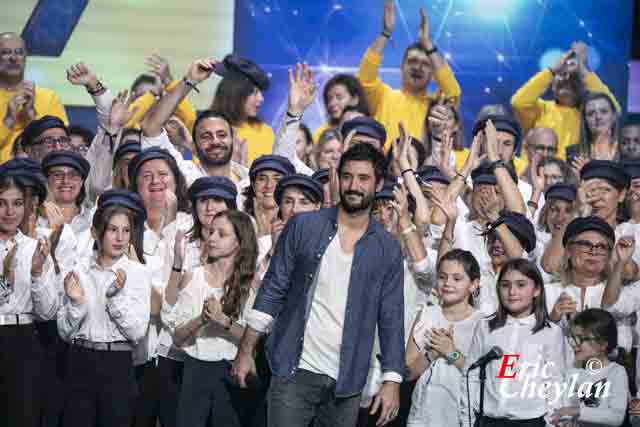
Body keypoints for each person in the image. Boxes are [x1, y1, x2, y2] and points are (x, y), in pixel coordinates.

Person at [232, 143, 405, 427]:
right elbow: (273, 289)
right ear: (337, 178)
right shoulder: (304, 226)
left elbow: (391, 318)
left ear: (378, 183)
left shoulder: (387, 248)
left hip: (347, 379)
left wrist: (392, 380)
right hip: (293, 369)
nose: (353, 185)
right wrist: (246, 350)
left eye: (363, 179)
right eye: (347, 176)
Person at [57, 189, 151, 427]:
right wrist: (77, 303)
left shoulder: (137, 273)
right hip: (79, 360)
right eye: (112, 229)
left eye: (126, 231)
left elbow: (137, 332)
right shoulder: (78, 271)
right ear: (95, 233)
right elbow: (64, 332)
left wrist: (115, 298)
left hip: (117, 364)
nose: (120, 238)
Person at [170, 210, 258, 427]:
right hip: (194, 371)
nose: (212, 238)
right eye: (211, 232)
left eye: (222, 234)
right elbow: (178, 338)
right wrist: (202, 319)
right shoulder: (194, 276)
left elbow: (254, 340)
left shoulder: (251, 285)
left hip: (230, 372)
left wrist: (222, 319)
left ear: (239, 242)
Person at [461, 258, 567, 427]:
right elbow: (470, 374)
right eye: (505, 285)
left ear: (537, 290)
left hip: (530, 422)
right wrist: (468, 422)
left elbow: (554, 382)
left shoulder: (550, 332)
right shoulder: (485, 326)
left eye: (521, 285)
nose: (512, 292)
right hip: (488, 421)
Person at [0, 158, 59, 427]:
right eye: (2, 203)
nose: (9, 211)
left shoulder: (34, 247)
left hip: (24, 339)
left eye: (17, 203)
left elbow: (47, 311)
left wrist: (36, 272)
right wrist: (4, 279)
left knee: (23, 416)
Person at [357, 3, 460, 149]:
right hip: (385, 168)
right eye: (412, 61)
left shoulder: (436, 105)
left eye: (425, 64)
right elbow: (365, 79)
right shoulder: (383, 97)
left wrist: (429, 45)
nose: (418, 67)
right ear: (401, 67)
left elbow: (453, 93)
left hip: (421, 169)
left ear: (433, 74)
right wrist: (385, 34)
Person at [405, 249, 484, 427]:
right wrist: (432, 354)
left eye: (457, 278)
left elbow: (485, 377)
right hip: (422, 416)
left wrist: (451, 352)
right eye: (442, 277)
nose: (447, 283)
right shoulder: (427, 314)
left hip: (463, 417)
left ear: (473, 284)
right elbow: (408, 372)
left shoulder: (483, 323)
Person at [140, 58, 248, 187]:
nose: (215, 141)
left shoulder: (251, 180)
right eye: (206, 136)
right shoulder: (186, 175)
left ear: (232, 139)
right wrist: (190, 80)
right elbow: (150, 127)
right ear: (194, 145)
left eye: (222, 135)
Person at [511, 42, 619, 160]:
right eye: (561, 74)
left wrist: (583, 69)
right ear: (551, 83)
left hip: (572, 176)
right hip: (532, 175)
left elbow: (613, 109)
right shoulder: (540, 109)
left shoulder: (588, 115)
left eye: (573, 76)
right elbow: (518, 102)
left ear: (583, 85)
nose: (566, 78)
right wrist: (552, 70)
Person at [551, 309, 628, 427]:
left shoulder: (617, 372)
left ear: (602, 344)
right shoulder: (572, 372)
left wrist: (577, 411)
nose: (573, 343)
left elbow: (616, 417)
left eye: (581, 339)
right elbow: (565, 408)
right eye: (572, 337)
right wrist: (567, 422)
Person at [0, 32, 68, 162]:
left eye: (19, 52)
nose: (13, 58)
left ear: (25, 57)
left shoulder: (49, 97)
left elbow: (60, 147)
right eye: (6, 52)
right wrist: (8, 119)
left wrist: (31, 114)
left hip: (39, 177)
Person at [212, 54, 274, 164]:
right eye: (254, 92)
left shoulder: (265, 132)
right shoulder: (209, 129)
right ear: (235, 93)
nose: (261, 99)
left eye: (261, 92)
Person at [39, 151, 93, 235]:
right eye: (57, 175)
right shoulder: (34, 220)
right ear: (47, 181)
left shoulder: (93, 219)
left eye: (73, 175)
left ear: (82, 182)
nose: (65, 181)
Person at [240, 155, 295, 237]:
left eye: (277, 179)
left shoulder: (298, 225)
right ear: (253, 184)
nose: (269, 185)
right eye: (262, 179)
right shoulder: (238, 224)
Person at [313, 73, 370, 141]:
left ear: (355, 99)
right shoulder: (321, 132)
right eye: (329, 99)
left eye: (339, 97)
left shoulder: (369, 126)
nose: (332, 103)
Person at [569, 92, 620, 162]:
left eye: (604, 112)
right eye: (591, 114)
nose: (598, 117)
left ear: (613, 116)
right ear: (585, 120)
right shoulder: (573, 154)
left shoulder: (626, 150)